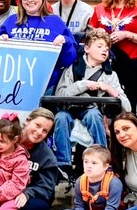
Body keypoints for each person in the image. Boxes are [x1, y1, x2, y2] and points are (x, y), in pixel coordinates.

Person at [52, 30, 130, 170]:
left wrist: (108, 89)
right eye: (99, 46)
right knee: (61, 117)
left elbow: (127, 107)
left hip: (92, 110)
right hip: (70, 108)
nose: (104, 50)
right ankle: (63, 164)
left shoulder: (110, 75)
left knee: (94, 115)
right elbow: (60, 94)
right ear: (86, 49)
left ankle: (102, 157)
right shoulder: (72, 68)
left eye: (107, 48)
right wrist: (81, 85)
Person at [0, 0, 76, 90]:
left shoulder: (55, 22)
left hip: (45, 87)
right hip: (12, 85)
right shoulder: (11, 21)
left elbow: (69, 59)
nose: (30, 0)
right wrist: (0, 42)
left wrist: (65, 41)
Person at [57, 145, 123, 210]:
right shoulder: (80, 181)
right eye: (86, 161)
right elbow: (79, 205)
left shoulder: (114, 183)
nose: (88, 166)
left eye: (94, 163)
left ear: (105, 166)